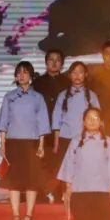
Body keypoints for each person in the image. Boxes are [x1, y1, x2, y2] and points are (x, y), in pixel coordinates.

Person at [0, 61, 49, 220]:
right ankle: (16, 214)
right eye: (19, 72)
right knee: (14, 181)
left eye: (25, 72)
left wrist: (41, 146)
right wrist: (3, 145)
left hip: (31, 144)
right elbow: (3, 122)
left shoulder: (38, 98)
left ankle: (29, 214)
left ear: (31, 76)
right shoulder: (9, 97)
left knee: (32, 180)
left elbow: (42, 122)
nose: (21, 75)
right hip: (13, 143)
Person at [51, 61, 100, 176]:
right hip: (65, 139)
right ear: (69, 75)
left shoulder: (92, 96)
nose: (77, 75)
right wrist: (56, 143)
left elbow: (98, 119)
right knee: (66, 172)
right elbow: (56, 121)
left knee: (84, 171)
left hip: (85, 139)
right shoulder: (62, 95)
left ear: (86, 74)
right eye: (74, 72)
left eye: (80, 72)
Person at [33, 48, 69, 201]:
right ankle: (41, 196)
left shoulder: (68, 82)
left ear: (62, 63)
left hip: (64, 130)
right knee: (42, 164)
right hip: (42, 131)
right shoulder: (37, 83)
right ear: (46, 62)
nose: (54, 63)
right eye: (51, 60)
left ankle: (60, 196)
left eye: (58, 60)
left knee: (62, 164)